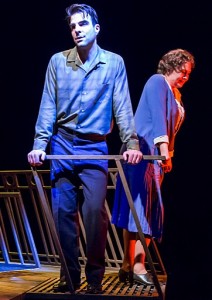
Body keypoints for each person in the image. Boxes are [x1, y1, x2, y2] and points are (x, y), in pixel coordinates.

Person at [27, 3, 142, 294]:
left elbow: (122, 106)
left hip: (94, 147)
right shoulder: (57, 61)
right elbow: (48, 105)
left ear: (96, 28)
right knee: (62, 214)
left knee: (94, 213)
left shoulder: (114, 62)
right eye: (72, 26)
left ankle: (94, 278)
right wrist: (40, 144)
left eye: (83, 25)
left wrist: (131, 143)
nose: (77, 30)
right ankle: (68, 276)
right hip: (63, 145)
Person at [111, 49, 195, 286]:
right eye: (183, 71)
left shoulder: (175, 93)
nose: (185, 77)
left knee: (142, 210)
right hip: (142, 155)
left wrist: (169, 155)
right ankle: (136, 265)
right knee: (141, 211)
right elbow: (158, 118)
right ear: (171, 66)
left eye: (188, 74)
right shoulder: (157, 82)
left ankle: (128, 266)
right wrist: (163, 151)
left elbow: (172, 128)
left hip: (155, 158)